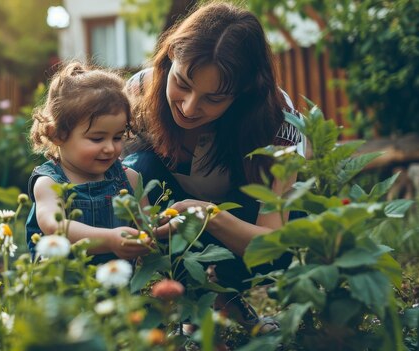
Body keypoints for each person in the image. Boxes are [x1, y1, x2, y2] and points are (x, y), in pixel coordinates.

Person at [122, 1, 305, 331]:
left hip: (241, 227)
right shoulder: (137, 92)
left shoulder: (279, 122)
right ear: (169, 59)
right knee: (132, 168)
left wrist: (208, 216)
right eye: (182, 83)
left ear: (243, 93)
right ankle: (185, 302)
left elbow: (272, 246)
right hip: (164, 223)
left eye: (214, 98)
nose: (190, 107)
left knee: (295, 217)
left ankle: (228, 296)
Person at [26, 62, 151, 264]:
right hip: (62, 288)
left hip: (120, 291)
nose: (110, 148)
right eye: (97, 139)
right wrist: (109, 240)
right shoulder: (50, 183)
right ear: (57, 134)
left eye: (118, 137)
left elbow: (147, 228)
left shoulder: (129, 179)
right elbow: (54, 225)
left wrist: (165, 228)